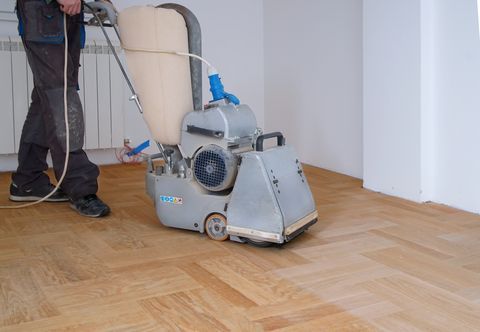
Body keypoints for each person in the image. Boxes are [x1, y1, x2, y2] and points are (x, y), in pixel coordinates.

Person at [11, 0, 110, 218]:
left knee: (46, 98)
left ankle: (28, 181)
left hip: (69, 14)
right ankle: (80, 186)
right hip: (42, 12)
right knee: (61, 97)